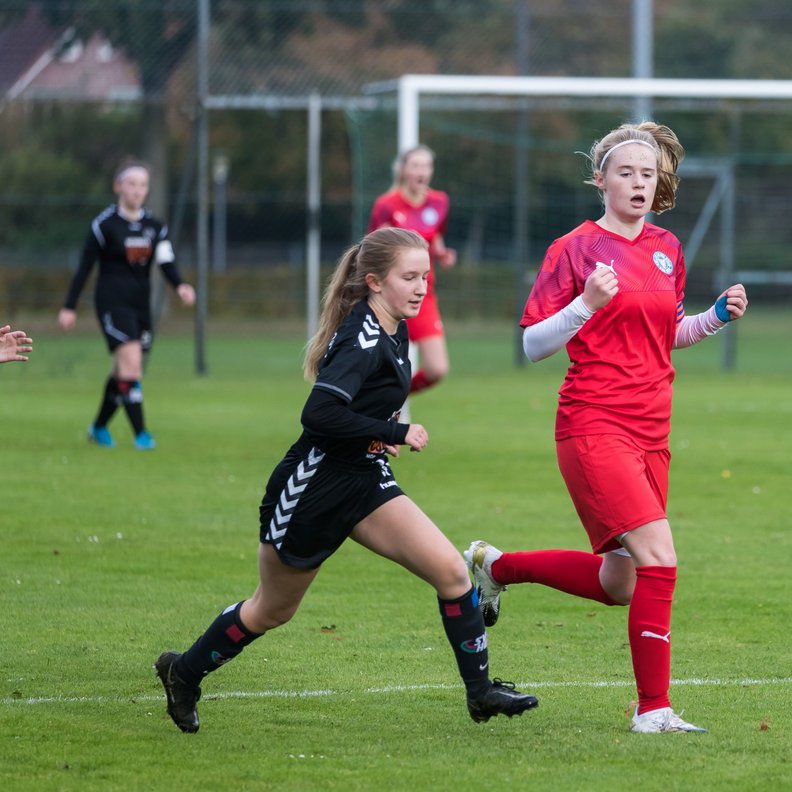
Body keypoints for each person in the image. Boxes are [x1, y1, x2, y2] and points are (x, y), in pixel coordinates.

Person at [153, 227, 537, 734]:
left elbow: (357, 409)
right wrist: (392, 428)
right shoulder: (363, 337)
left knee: (451, 571)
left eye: (426, 276)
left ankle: (480, 693)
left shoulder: (396, 326)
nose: (422, 286)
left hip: (363, 476)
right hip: (314, 487)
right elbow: (318, 414)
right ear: (375, 281)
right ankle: (183, 672)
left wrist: (378, 438)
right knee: (271, 610)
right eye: (410, 277)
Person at [463, 121, 748, 735]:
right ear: (601, 180)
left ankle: (495, 567)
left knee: (621, 582)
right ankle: (654, 711)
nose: (639, 182)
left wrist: (716, 318)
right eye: (626, 172)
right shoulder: (574, 249)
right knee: (660, 558)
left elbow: (665, 333)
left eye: (648, 173)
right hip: (593, 425)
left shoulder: (668, 248)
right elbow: (533, 344)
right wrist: (584, 304)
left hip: (652, 431)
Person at [58, 159, 196, 449]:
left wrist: (180, 285)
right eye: (131, 183)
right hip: (112, 304)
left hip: (140, 306)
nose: (137, 190)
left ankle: (97, 428)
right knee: (132, 367)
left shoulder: (155, 226)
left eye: (142, 185)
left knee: (125, 372)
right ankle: (142, 435)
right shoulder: (104, 225)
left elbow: (166, 260)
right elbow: (85, 267)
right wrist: (69, 307)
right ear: (118, 186)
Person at [367, 145, 458, 397]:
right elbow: (374, 250)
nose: (422, 171)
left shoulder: (439, 201)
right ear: (403, 170)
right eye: (415, 165)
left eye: (426, 166)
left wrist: (442, 254)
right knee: (377, 364)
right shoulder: (386, 204)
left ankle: (388, 395)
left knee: (436, 368)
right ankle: (374, 410)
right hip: (389, 295)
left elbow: (434, 236)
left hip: (422, 292)